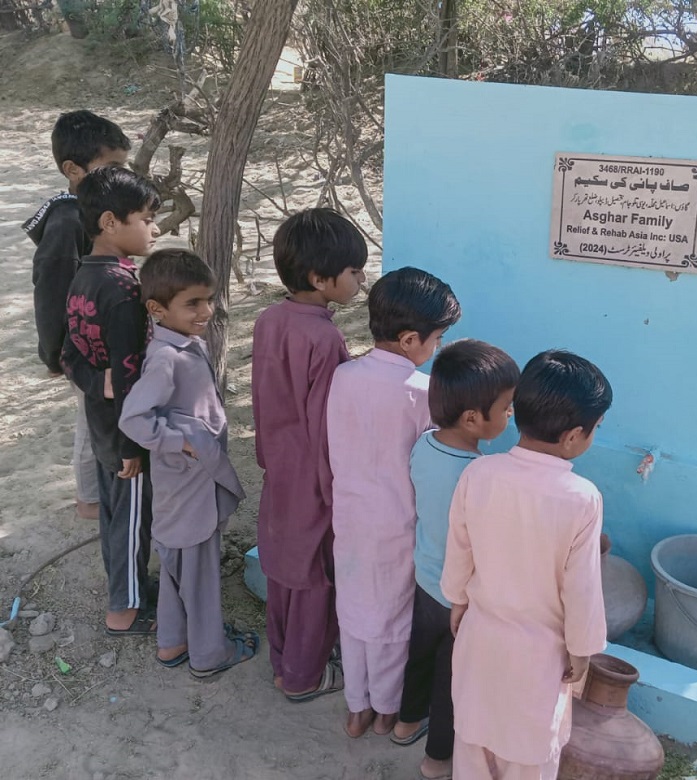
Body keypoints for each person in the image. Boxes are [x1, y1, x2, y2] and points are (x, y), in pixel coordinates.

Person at [441, 349, 613, 779]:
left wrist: (458, 601)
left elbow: (460, 549)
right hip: (539, 661)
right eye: (597, 428)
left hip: (479, 642)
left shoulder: (479, 474)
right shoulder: (581, 498)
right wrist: (582, 649)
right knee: (528, 760)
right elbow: (582, 588)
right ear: (573, 436)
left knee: (473, 749)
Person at [327, 266, 461, 739]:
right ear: (409, 340)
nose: (437, 347)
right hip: (398, 524)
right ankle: (386, 710)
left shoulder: (343, 376)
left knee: (354, 611)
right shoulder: (421, 393)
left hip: (349, 517)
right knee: (391, 618)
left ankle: (356, 707)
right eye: (437, 338)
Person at [119, 249, 258, 677]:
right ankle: (209, 654)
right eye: (193, 303)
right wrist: (181, 442)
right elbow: (133, 418)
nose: (206, 311)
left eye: (208, 300)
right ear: (157, 309)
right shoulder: (166, 358)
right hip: (188, 488)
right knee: (198, 574)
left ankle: (173, 642)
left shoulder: (182, 345)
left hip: (184, 484)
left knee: (179, 567)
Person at [252, 208, 368, 701]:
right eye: (354, 272)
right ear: (321, 280)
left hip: (278, 468)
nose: (361, 281)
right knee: (315, 576)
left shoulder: (269, 320)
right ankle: (304, 677)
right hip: (314, 479)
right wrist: (335, 492)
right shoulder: (324, 338)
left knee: (284, 568)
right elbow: (326, 428)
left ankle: (283, 662)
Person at [392, 340, 520, 780]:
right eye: (506, 407)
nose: (511, 415)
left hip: (425, 580)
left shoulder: (424, 445)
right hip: (459, 596)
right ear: (471, 418)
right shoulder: (480, 475)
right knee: (452, 680)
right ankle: (436, 759)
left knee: (419, 656)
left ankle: (406, 722)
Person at [62, 165, 160, 635]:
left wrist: (93, 381)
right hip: (125, 432)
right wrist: (132, 447)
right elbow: (127, 376)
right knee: (132, 518)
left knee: (114, 513)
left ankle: (128, 589)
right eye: (145, 219)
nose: (154, 229)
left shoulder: (85, 276)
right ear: (109, 222)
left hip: (102, 422)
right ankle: (124, 611)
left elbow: (67, 354)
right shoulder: (123, 291)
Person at [23, 110, 131, 520]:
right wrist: (54, 355)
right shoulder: (67, 221)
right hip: (81, 345)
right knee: (92, 419)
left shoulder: (91, 210)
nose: (120, 175)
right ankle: (90, 500)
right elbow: (50, 294)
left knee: (99, 416)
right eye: (112, 166)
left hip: (99, 338)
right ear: (73, 170)